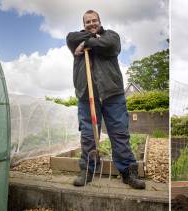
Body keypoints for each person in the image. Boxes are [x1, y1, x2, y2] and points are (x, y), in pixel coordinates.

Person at [66, 10, 145, 189]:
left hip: (112, 94)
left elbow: (110, 45)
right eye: (88, 22)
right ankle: (87, 170)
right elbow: (70, 38)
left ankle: (128, 172)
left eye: (94, 21)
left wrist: (86, 42)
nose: (91, 24)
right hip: (87, 95)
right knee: (88, 135)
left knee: (119, 133)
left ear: (100, 22)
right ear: (84, 24)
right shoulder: (74, 39)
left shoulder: (111, 36)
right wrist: (91, 40)